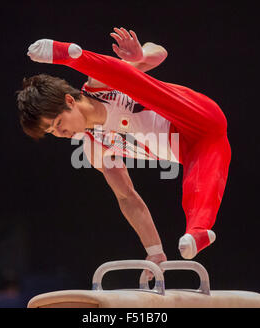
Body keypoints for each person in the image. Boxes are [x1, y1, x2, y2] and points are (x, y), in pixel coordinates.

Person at [17, 27, 231, 281]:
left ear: (70, 101)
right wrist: (154, 252)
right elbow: (127, 197)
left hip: (191, 112)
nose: (60, 133)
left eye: (58, 122)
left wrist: (141, 55)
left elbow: (160, 52)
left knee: (126, 78)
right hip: (194, 149)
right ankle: (197, 231)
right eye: (52, 131)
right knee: (199, 187)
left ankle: (72, 56)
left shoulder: (100, 84)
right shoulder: (94, 147)